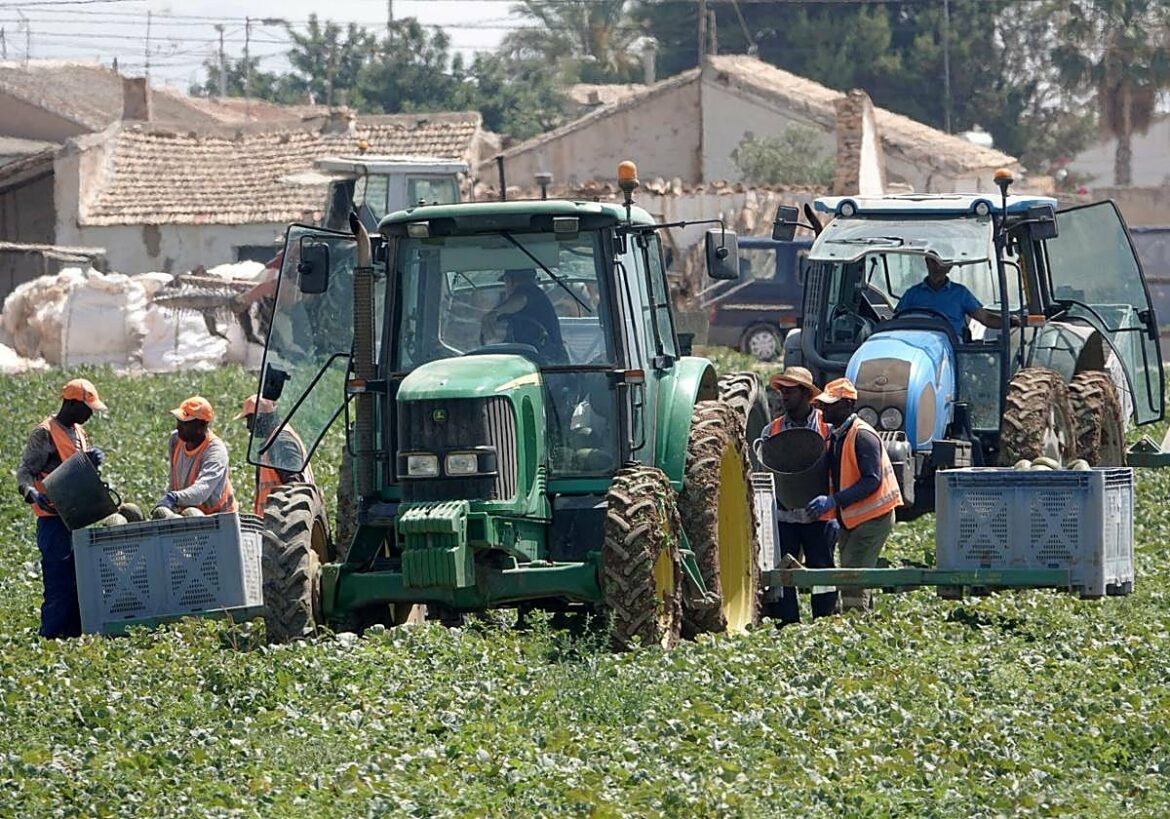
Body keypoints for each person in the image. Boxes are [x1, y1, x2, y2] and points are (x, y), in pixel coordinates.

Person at [15, 378, 107, 638]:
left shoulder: (79, 432)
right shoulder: (44, 433)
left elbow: (76, 469)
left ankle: (75, 636)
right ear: (72, 404)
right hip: (53, 520)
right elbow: (25, 471)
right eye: (87, 408)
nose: (90, 414)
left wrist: (92, 463)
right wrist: (31, 492)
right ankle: (51, 637)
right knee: (59, 584)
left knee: (80, 583)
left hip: (77, 517)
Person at [806, 378, 903, 612]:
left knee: (852, 576)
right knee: (856, 573)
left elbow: (872, 480)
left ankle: (855, 623)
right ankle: (865, 619)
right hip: (852, 518)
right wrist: (834, 512)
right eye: (823, 404)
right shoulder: (837, 435)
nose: (824, 409)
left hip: (873, 518)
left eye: (830, 404)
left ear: (848, 405)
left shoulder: (862, 435)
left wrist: (834, 501)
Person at [761, 367, 839, 624]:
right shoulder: (771, 431)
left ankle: (824, 622)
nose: (784, 396)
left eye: (790, 391)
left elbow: (838, 471)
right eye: (782, 391)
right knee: (784, 573)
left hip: (819, 516)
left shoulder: (826, 428)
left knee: (822, 573)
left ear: (806, 394)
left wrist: (834, 508)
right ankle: (787, 625)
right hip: (785, 517)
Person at [895, 249, 1018, 338]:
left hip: (953, 346)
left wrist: (1011, 322)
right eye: (933, 262)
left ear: (950, 267)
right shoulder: (912, 294)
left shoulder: (960, 294)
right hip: (918, 343)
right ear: (927, 262)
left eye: (943, 263)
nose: (937, 267)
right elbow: (895, 320)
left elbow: (985, 318)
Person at [155, 396, 238, 517]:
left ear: (201, 425)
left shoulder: (215, 450)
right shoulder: (176, 440)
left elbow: (201, 491)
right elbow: (173, 481)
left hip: (219, 518)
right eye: (179, 421)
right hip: (188, 514)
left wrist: (174, 497)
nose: (178, 427)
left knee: (192, 514)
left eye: (184, 423)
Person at [235, 394, 316, 517]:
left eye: (250, 419)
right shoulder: (273, 441)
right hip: (274, 522)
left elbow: (295, 488)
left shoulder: (280, 442)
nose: (248, 426)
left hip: (284, 522)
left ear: (261, 418)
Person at [481, 268, 568, 363]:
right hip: (538, 360)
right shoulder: (524, 309)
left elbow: (521, 299)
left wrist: (494, 313)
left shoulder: (531, 291)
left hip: (549, 363)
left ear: (508, 281)